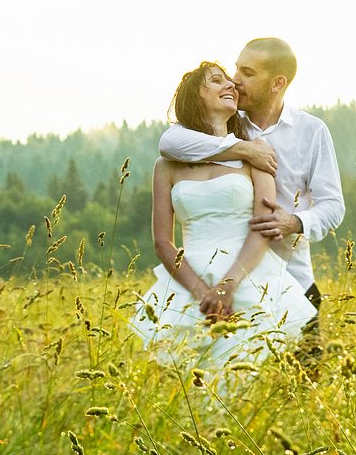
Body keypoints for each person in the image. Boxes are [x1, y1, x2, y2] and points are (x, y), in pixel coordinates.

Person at [158, 38, 345, 348]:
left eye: (247, 73)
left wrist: (293, 222)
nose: (235, 81)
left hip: (292, 279)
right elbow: (169, 143)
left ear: (277, 83)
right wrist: (245, 148)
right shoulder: (224, 121)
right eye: (236, 70)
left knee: (300, 388)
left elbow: (333, 206)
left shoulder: (311, 131)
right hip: (224, 287)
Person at [130, 62, 316, 370]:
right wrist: (203, 293)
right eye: (217, 81)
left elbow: (262, 227)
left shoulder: (257, 154)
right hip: (188, 280)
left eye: (229, 81)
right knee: (188, 379)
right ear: (195, 98)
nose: (230, 85)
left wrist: (227, 286)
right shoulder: (166, 166)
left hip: (247, 275)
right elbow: (163, 241)